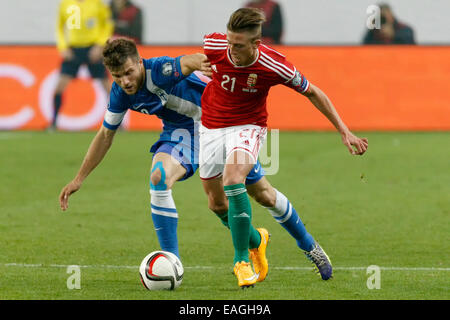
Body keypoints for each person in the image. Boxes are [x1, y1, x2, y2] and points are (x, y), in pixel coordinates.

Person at [58, 38, 270, 266]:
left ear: (139, 62)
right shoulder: (120, 94)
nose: (125, 81)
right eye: (117, 76)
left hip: (217, 125)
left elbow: (190, 61)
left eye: (129, 72)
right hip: (181, 134)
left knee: (255, 195)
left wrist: (210, 64)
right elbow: (105, 136)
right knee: (159, 177)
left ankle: (262, 240)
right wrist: (78, 179)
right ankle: (172, 261)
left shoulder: (160, 69)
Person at [201, 8, 368, 288]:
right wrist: (196, 66)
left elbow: (313, 92)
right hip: (211, 129)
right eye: (230, 42)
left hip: (248, 127)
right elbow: (196, 58)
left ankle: (244, 261)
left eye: (238, 45)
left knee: (232, 180)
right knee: (232, 200)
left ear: (256, 44)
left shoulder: (273, 65)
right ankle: (258, 240)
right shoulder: (215, 45)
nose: (231, 50)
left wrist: (344, 131)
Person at [52, 0, 114, 131]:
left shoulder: (97, 3)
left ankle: (118, 122)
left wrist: (100, 45)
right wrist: (63, 47)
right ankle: (53, 123)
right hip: (73, 49)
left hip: (93, 48)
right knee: (59, 86)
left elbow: (107, 25)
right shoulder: (65, 4)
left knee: (107, 87)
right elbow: (59, 27)